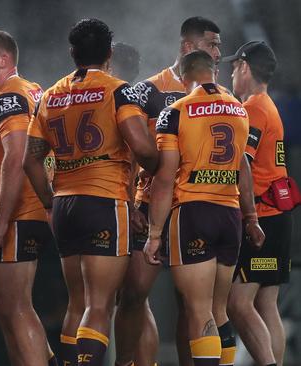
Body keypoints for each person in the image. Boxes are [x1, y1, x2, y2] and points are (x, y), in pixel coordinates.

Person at [23, 18, 158, 366]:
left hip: (66, 204)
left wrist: (50, 201)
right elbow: (142, 149)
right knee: (99, 305)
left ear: (72, 53)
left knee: (77, 303)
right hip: (105, 202)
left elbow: (30, 160)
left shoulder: (51, 94)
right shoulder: (118, 90)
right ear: (110, 53)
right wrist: (164, 166)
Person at [144, 50, 265, 366]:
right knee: (218, 309)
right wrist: (251, 217)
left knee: (198, 311)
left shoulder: (177, 111)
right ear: (215, 73)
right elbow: (243, 169)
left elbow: (165, 177)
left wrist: (154, 233)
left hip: (193, 213)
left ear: (184, 77)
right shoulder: (239, 110)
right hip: (229, 215)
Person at [116, 16, 225, 366]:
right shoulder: (149, 90)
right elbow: (128, 149)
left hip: (192, 209)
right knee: (133, 295)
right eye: (212, 44)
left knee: (190, 305)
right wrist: (128, 201)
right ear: (187, 47)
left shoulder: (220, 96)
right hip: (149, 206)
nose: (219, 52)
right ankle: (130, 361)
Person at [0, 30, 56, 366]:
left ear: (3, 60)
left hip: (18, 213)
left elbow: (17, 156)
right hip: (33, 209)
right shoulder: (31, 89)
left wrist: (1, 220)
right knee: (8, 310)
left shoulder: (9, 97)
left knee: (15, 308)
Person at [225, 41, 291, 366]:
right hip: (278, 220)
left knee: (237, 303)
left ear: (245, 67)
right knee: (267, 306)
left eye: (234, 67)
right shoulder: (270, 106)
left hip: (261, 223)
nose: (231, 73)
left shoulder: (252, 109)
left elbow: (242, 165)